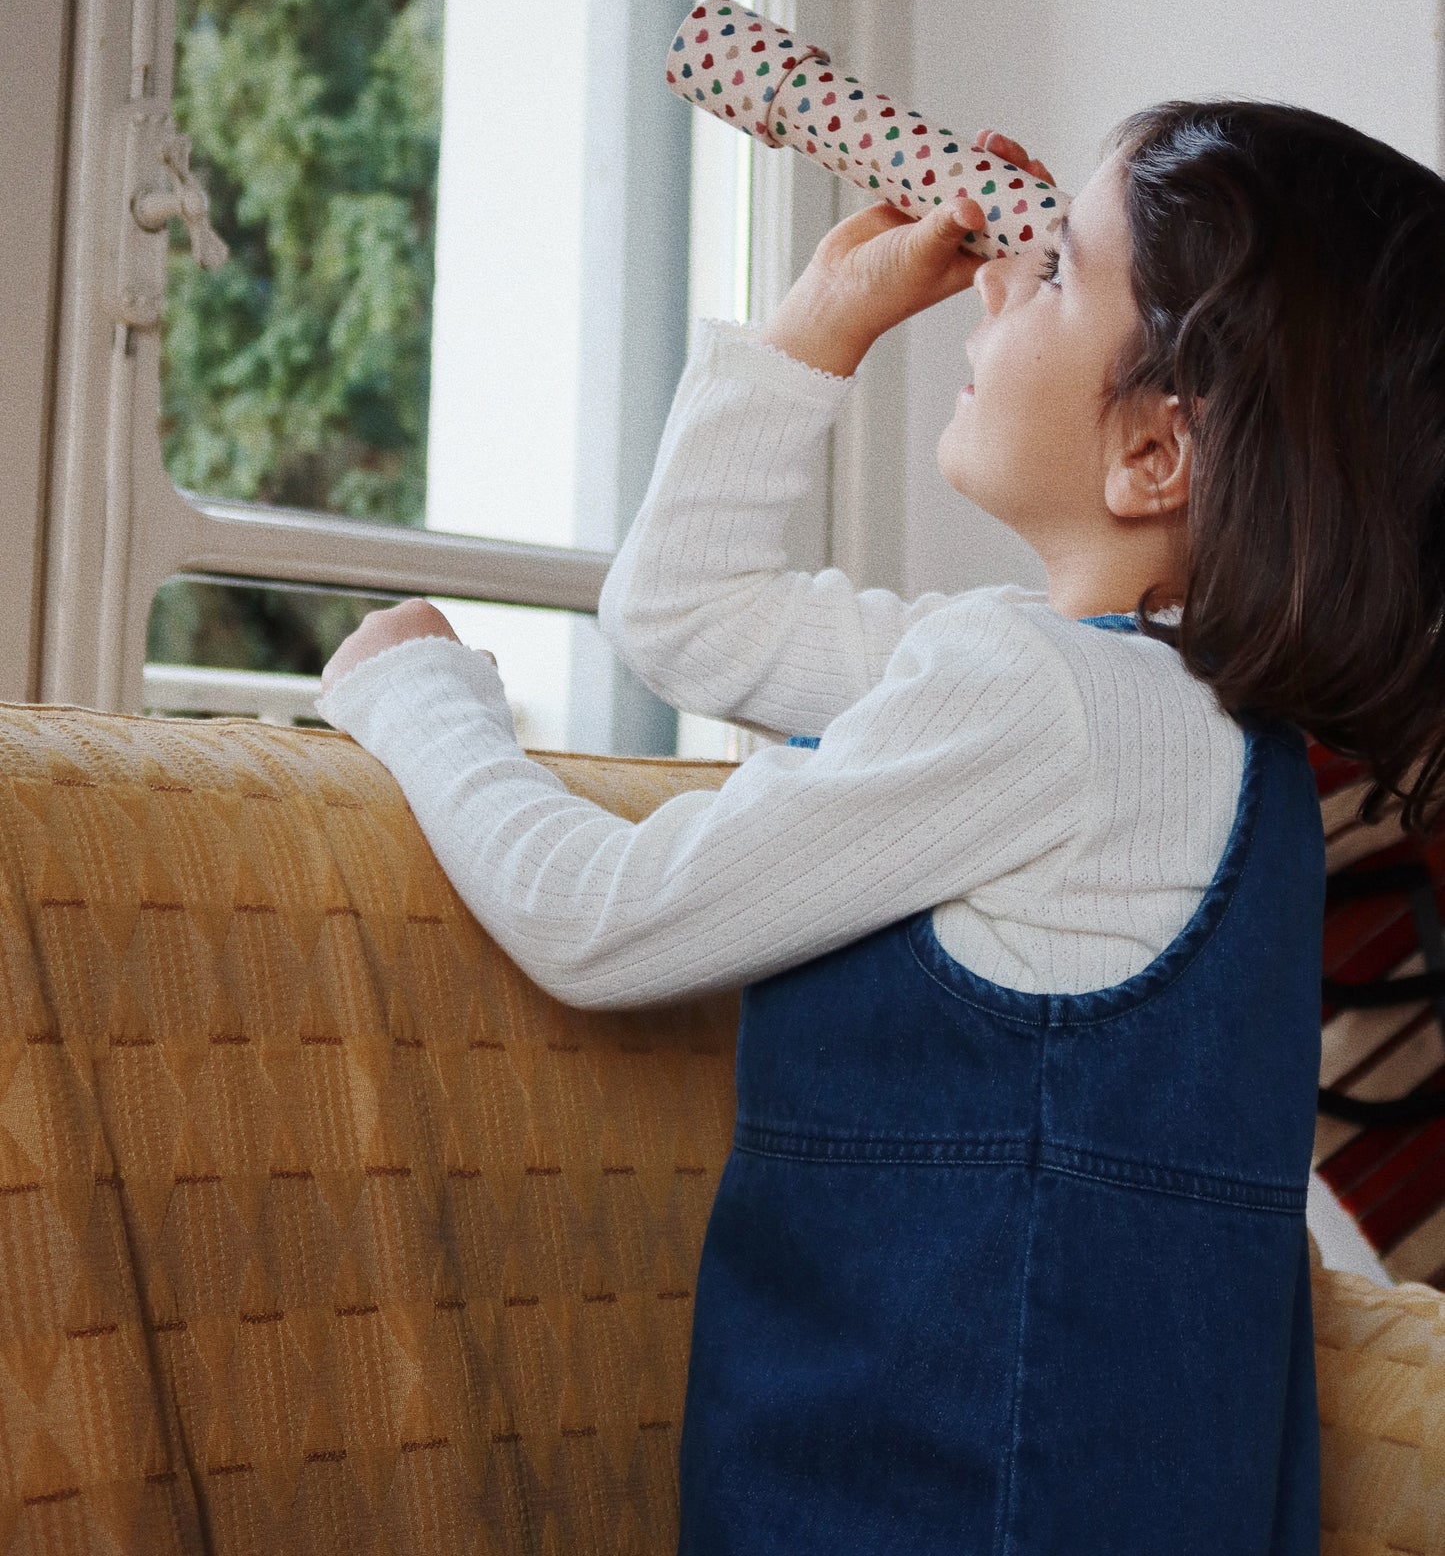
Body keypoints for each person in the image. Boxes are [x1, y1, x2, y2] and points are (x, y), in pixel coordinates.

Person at [319, 100, 1445, 1554]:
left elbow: (596, 922)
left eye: (1054, 268)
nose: (996, 275)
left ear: (1154, 451)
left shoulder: (1041, 699)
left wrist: (416, 695)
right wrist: (821, 325)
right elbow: (686, 621)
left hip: (930, 1500)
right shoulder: (1186, 724)